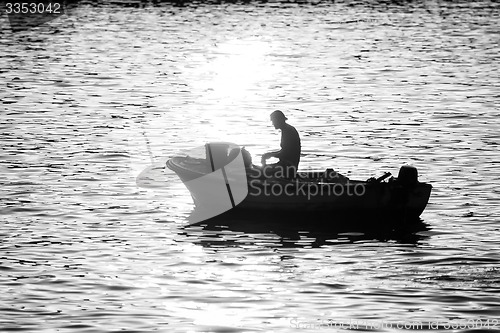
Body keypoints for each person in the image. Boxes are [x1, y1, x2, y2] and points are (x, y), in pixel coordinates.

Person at [261, 110, 301, 178]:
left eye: (273, 121)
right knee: (263, 169)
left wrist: (270, 155)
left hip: (288, 167)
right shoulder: (286, 129)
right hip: (285, 165)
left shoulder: (288, 131)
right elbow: (284, 151)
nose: (272, 124)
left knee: (261, 171)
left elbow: (286, 153)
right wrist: (270, 154)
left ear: (278, 120)